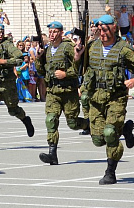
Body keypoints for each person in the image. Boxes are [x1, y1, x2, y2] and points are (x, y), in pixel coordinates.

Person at [82, 14, 134, 185]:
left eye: (105, 29)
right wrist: (77, 54)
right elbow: (79, 66)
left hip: (116, 98)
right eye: (99, 29)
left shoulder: (123, 49)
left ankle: (110, 171)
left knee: (110, 133)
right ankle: (126, 129)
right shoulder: (91, 47)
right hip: (96, 98)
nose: (102, 33)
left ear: (114, 28)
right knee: (98, 139)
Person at [33, 21, 88, 165]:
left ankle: (88, 125)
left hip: (68, 92)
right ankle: (52, 154)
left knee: (73, 123)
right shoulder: (47, 49)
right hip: (52, 92)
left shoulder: (68, 47)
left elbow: (79, 68)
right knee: (51, 119)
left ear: (61, 33)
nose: (51, 34)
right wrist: (38, 59)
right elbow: (41, 72)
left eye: (55, 31)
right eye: (50, 31)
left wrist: (65, 74)